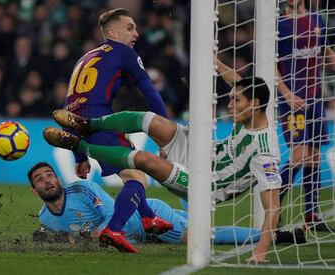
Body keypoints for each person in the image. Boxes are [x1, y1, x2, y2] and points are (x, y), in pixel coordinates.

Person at [44, 75, 282, 262]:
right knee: (150, 120)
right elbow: (236, 80)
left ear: (256, 104)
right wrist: (216, 61)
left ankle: (79, 143)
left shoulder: (264, 153)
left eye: (235, 101)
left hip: (206, 183)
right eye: (230, 99)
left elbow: (273, 207)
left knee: (145, 160)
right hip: (203, 154)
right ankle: (88, 125)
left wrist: (261, 251)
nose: (229, 106)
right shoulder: (251, 114)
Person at [50, 8, 173, 253]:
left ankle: (149, 218)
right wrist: (167, 131)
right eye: (130, 28)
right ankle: (114, 229)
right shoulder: (124, 52)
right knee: (137, 177)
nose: (136, 33)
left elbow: (70, 107)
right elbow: (149, 90)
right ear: (113, 33)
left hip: (76, 121)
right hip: (99, 119)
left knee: (132, 175)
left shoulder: (84, 58)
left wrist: (80, 155)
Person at [28, 162, 280, 250]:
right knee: (195, 224)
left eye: (49, 175)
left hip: (148, 217)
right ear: (34, 190)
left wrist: (97, 234)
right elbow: (73, 234)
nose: (46, 180)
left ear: (58, 178)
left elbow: (110, 214)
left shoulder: (83, 189)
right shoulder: (45, 219)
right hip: (144, 238)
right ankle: (187, 192)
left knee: (202, 239)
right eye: (39, 179)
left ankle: (273, 236)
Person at [276, 0, 335, 231]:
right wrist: (286, 94)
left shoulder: (316, 18)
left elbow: (326, 51)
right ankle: (273, 202)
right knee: (299, 156)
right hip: (293, 99)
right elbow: (272, 64)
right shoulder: (279, 24)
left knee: (314, 157)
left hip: (315, 97)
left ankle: (312, 214)